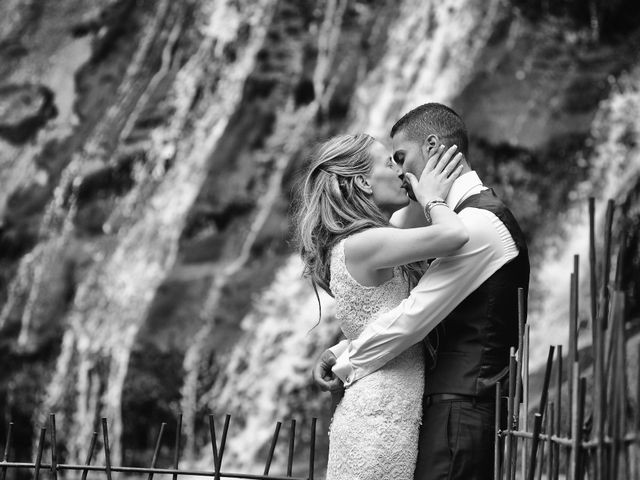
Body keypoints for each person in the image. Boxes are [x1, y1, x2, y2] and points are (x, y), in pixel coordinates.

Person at [313, 103, 530, 480]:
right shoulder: (457, 221)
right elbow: (415, 315)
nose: (399, 171)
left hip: (461, 411)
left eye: (401, 157)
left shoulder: (476, 224)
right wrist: (342, 349)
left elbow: (411, 319)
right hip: (438, 411)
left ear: (432, 147)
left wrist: (345, 361)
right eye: (390, 163)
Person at [295, 132, 469, 480]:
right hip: (378, 423)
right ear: (362, 181)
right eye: (390, 162)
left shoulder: (361, 243)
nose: (402, 172)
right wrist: (432, 199)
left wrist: (342, 351)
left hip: (385, 414)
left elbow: (382, 318)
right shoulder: (367, 242)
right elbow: (455, 235)